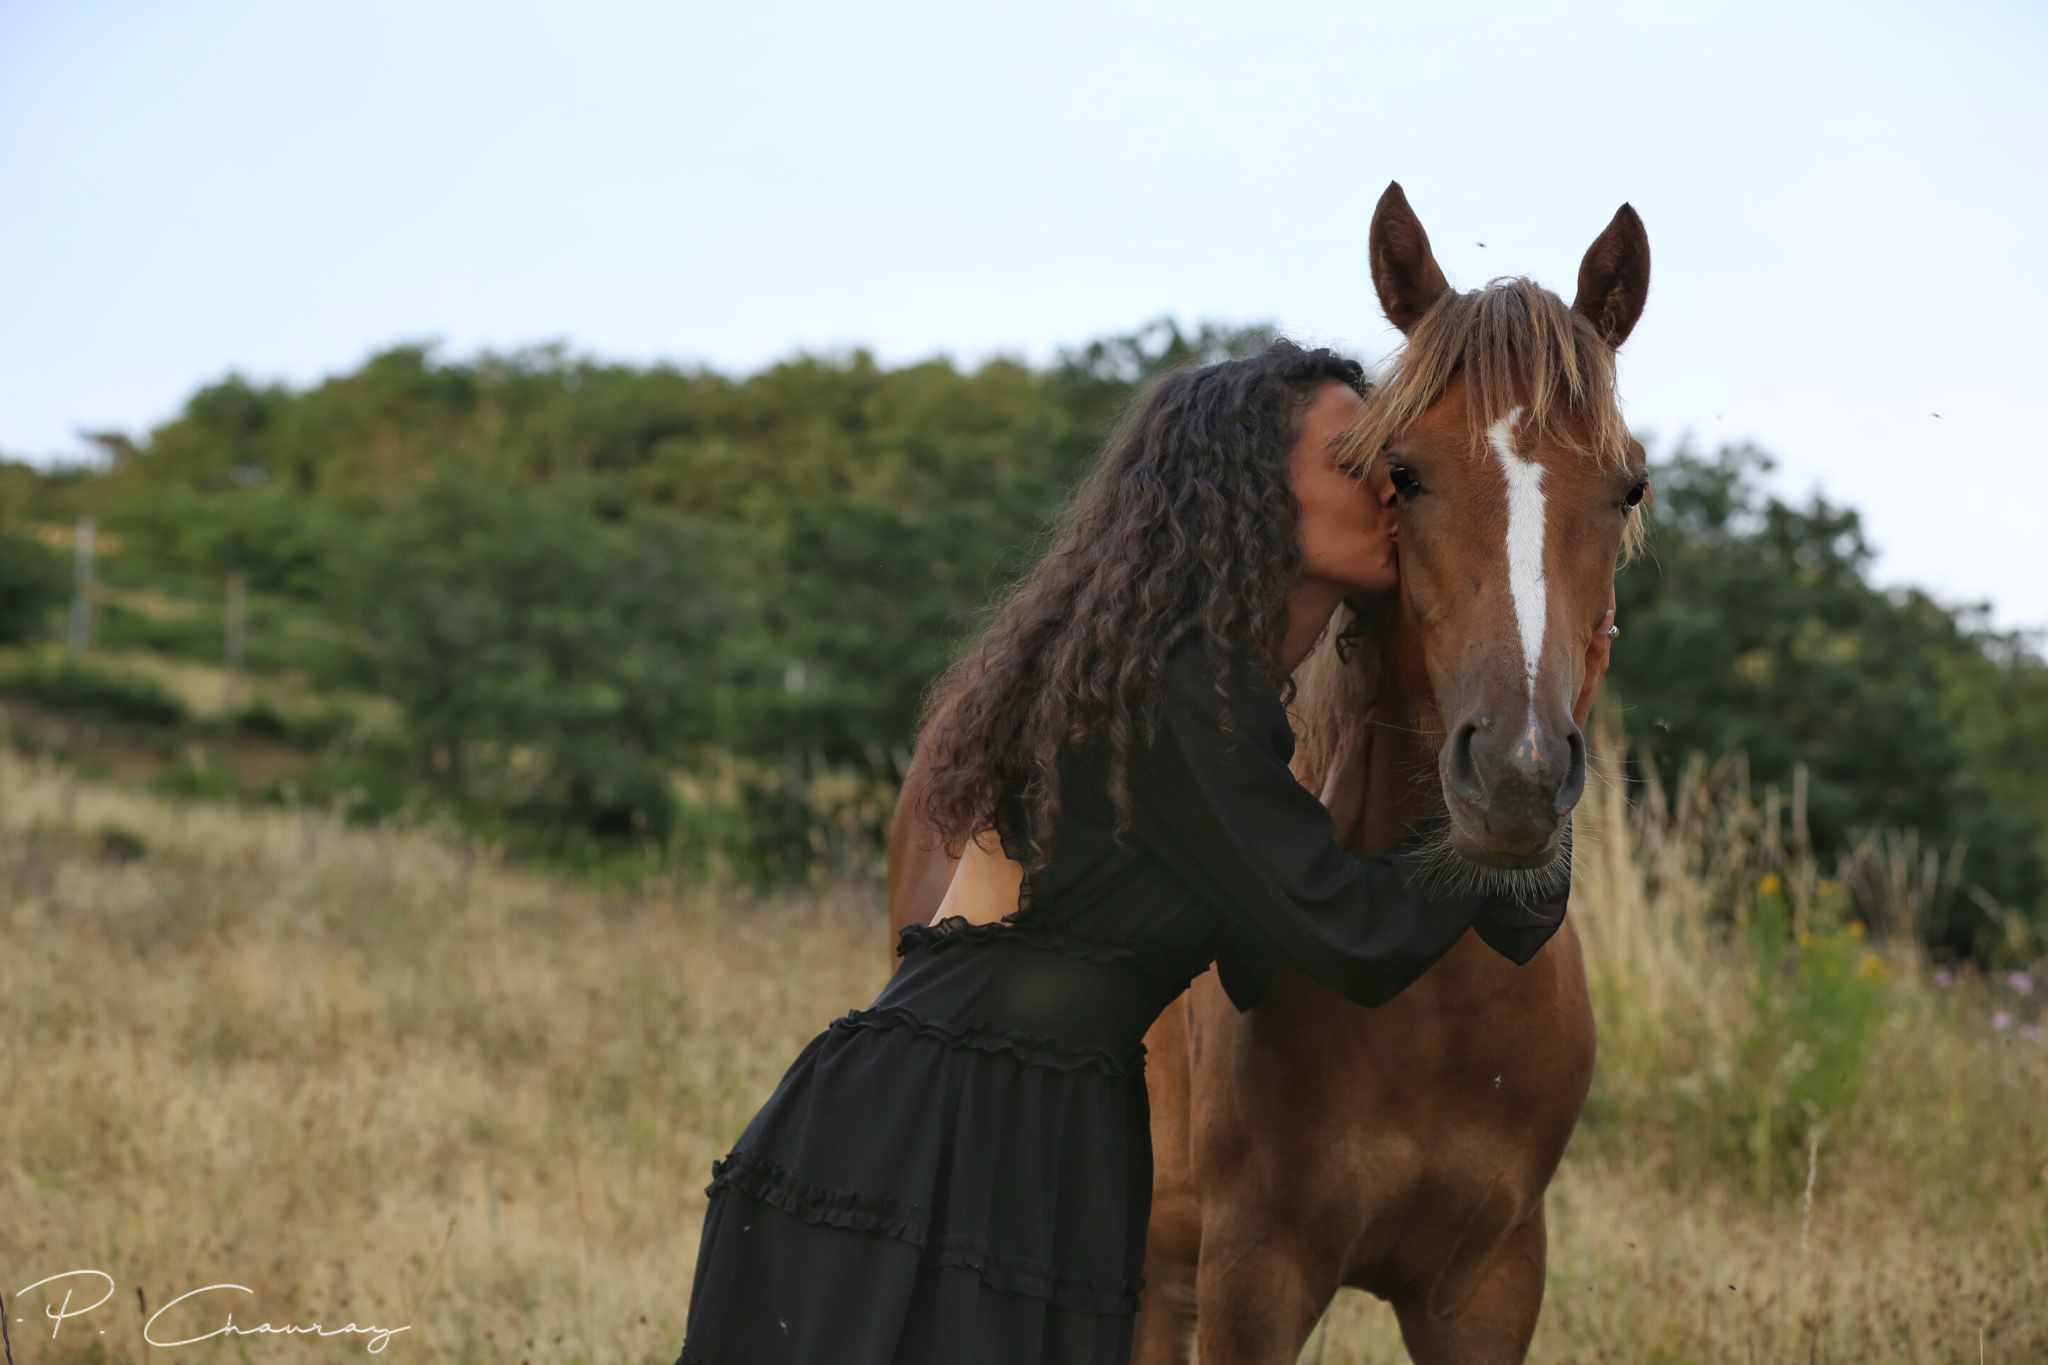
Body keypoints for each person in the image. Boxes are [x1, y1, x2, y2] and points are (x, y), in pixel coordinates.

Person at [674, 341, 1614, 1365]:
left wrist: (1539, 723)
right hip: (938, 1127)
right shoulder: (1179, 692)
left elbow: (1278, 960)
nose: (1388, 494)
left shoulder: (1237, 709)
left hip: (1050, 1121)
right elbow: (1350, 934)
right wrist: (1501, 813)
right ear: (1251, 491)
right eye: (1353, 465)